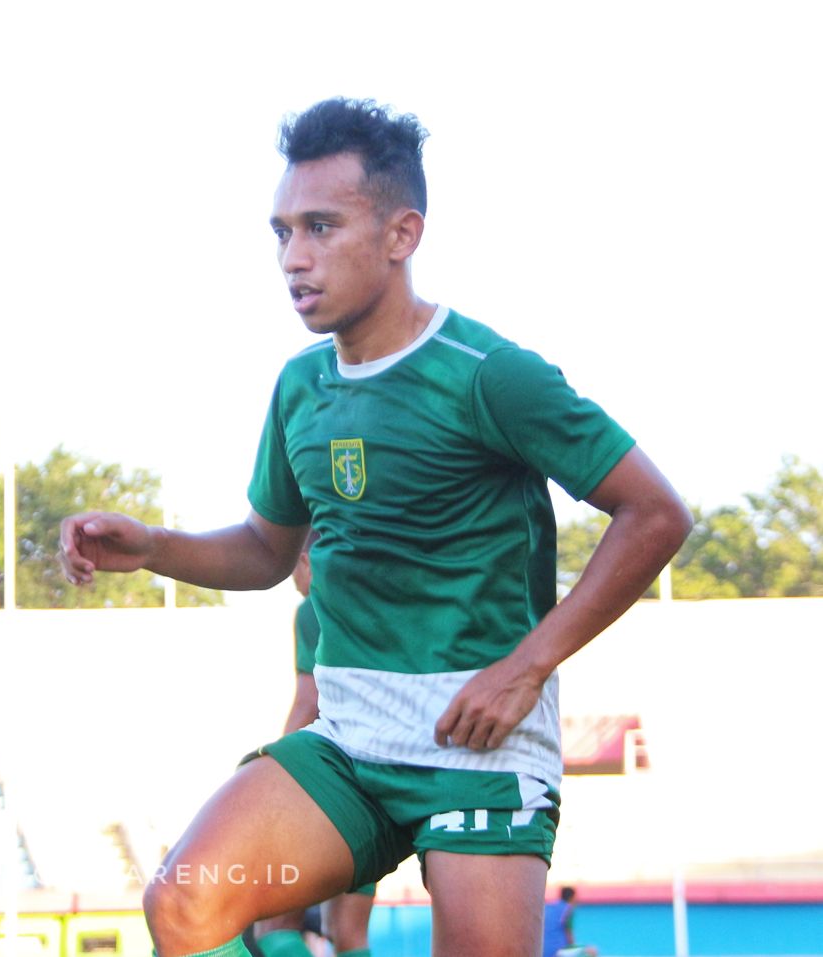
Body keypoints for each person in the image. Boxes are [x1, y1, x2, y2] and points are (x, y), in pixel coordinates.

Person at [59, 97, 692, 957]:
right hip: (351, 741)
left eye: (320, 226)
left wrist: (528, 665)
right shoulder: (299, 387)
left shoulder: (490, 375)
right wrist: (156, 548)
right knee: (184, 903)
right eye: (280, 232)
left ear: (402, 235)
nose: (293, 257)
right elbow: (265, 550)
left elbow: (655, 513)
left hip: (479, 746)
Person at [255, 540, 374, 957]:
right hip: (385, 782)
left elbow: (310, 701)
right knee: (350, 934)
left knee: (275, 925)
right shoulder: (377, 600)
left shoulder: (314, 608)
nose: (293, 583)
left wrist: (274, 766)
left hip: (335, 780)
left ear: (305, 560)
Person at [543, 886, 598, 957]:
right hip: (557, 951)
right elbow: (569, 933)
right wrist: (574, 948)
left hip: (542, 948)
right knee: (592, 950)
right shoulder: (568, 908)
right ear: (572, 897)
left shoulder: (549, 907)